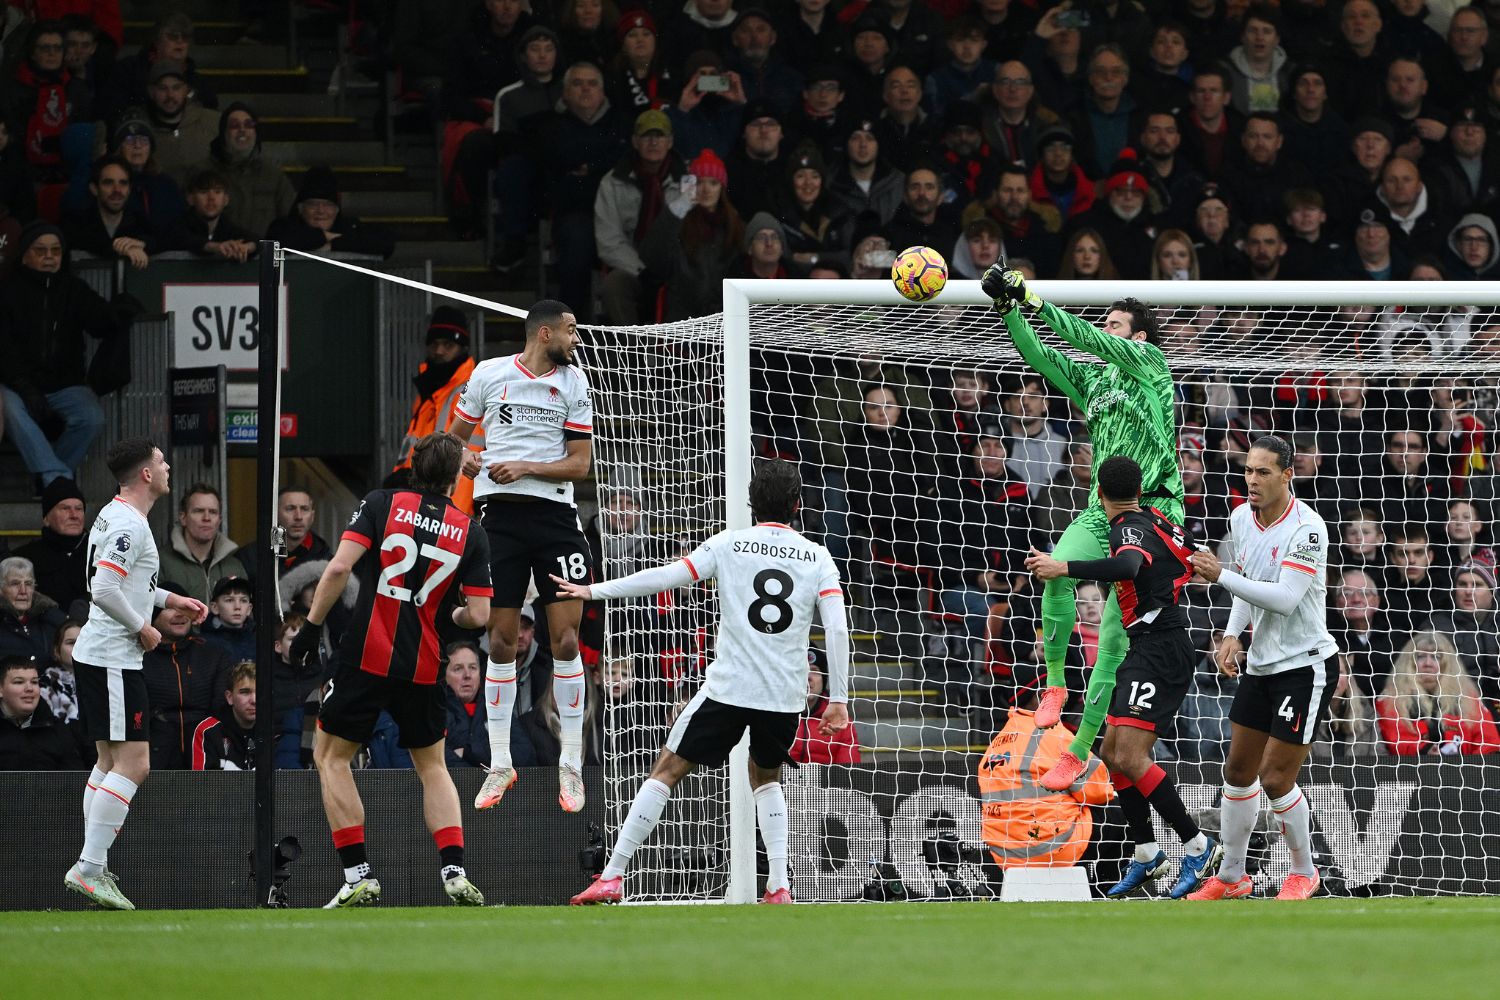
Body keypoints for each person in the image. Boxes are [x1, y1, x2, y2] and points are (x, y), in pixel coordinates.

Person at [564, 459, 850, 905]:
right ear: (798, 506)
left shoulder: (730, 543)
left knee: (667, 769)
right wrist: (839, 698)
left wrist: (594, 590)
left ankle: (613, 875)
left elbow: (665, 576)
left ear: (752, 502)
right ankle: (778, 885)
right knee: (766, 776)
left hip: (729, 688)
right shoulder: (817, 556)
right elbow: (836, 628)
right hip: (783, 694)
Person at [981, 264, 1184, 791]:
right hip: (1103, 508)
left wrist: (1036, 300)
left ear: (1137, 336)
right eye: (1107, 323)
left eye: (1115, 325)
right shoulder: (1094, 378)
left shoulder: (1151, 363)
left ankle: (1078, 748)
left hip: (1154, 512)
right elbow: (1040, 356)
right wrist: (1009, 308)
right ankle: (1055, 686)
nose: (1106, 330)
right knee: (1053, 571)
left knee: (1116, 632)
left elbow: (1086, 337)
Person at [287, 432, 492, 908]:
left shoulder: (381, 502)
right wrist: (448, 614)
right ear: (456, 475)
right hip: (423, 663)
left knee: (330, 757)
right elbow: (477, 617)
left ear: (414, 466)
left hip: (366, 655)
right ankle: (455, 871)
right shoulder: (470, 531)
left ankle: (358, 874)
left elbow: (337, 569)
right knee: (433, 766)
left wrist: (311, 628)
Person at [1025, 455, 1223, 898]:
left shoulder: (1125, 529)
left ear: (1099, 493)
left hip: (1161, 648)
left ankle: (1198, 844)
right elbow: (1191, 556)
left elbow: (1130, 565)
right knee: (1112, 752)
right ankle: (1147, 853)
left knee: (1132, 757)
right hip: (1147, 644)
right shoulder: (1155, 517)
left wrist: (1064, 567)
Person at [448, 300, 596, 814]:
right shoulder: (489, 374)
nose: (577, 339)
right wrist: (466, 460)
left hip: (555, 520)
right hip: (500, 522)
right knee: (501, 641)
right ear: (545, 332)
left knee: (567, 639)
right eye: (572, 330)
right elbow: (452, 441)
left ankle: (571, 763)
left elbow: (580, 466)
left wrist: (526, 467)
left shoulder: (575, 385)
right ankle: (501, 762)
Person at [1187, 435, 1342, 901]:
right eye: (1248, 471)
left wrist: (1221, 575)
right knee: (1237, 772)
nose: (1252, 480)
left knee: (1276, 778)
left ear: (1287, 475)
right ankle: (1232, 878)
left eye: (1263, 472)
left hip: (1306, 666)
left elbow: (1285, 597)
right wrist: (1233, 633)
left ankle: (1303, 871)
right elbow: (1247, 589)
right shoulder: (1240, 518)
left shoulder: (1307, 529)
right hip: (1261, 665)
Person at [65, 439, 208, 910]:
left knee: (109, 763)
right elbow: (104, 588)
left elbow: (128, 581)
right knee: (135, 764)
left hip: (100, 654)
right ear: (146, 474)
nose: (168, 466)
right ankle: (89, 868)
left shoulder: (116, 514)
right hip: (112, 656)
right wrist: (144, 627)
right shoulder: (129, 523)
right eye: (162, 461)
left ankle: (94, 864)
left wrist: (170, 600)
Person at [0, 221, 116, 488]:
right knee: (10, 410)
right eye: (40, 250)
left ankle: (50, 477)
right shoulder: (8, 291)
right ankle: (59, 479)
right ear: (25, 255)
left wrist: (120, 309)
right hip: (18, 386)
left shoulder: (73, 288)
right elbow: (4, 350)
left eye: (55, 250)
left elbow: (100, 322)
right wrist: (25, 387)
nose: (49, 256)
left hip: (65, 385)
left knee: (92, 417)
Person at [977, 691, 1113, 874]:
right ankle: (1106, 890)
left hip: (1006, 856)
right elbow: (1099, 792)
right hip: (1054, 848)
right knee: (1124, 809)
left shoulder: (996, 743)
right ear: (1041, 698)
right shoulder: (1053, 733)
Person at [388, 307, 484, 515]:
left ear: (462, 347)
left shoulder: (471, 389)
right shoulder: (430, 389)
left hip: (452, 506)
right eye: (434, 344)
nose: (439, 351)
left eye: (448, 345)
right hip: (425, 500)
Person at [142, 580, 234, 770]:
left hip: (206, 755)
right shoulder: (139, 657)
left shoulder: (213, 655)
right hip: (153, 759)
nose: (180, 614)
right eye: (169, 608)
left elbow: (221, 708)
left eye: (184, 608)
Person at [1375, 630, 1500, 755]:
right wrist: (1425, 751)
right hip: (1412, 770)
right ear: (1409, 663)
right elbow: (1396, 740)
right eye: (1420, 657)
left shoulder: (1468, 698)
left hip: (1466, 771)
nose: (1428, 663)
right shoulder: (1391, 699)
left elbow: (1489, 743)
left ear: (1448, 664)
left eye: (1436, 657)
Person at [205, 102, 296, 238]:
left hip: (262, 255)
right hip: (216, 256)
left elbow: (290, 221)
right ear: (223, 133)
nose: (242, 130)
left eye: (248, 125)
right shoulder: (203, 172)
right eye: (235, 125)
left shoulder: (274, 176)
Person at [265, 166, 396, 258]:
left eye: (328, 205)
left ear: (337, 210)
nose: (321, 211)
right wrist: (325, 237)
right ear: (300, 208)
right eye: (313, 204)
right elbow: (277, 242)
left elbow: (386, 243)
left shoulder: (349, 226)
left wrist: (332, 245)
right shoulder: (283, 227)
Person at [158, 483, 247, 606]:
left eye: (213, 512)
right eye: (199, 511)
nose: (206, 518)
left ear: (219, 520)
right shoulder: (161, 562)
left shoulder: (234, 566)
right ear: (183, 518)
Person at [14, 477, 89, 613]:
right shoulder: (24, 559)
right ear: (46, 518)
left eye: (79, 509)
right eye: (65, 508)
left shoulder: (102, 554)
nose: (74, 515)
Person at [0, 656, 87, 770]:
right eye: (19, 682)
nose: (29, 688)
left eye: (35, 682)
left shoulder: (58, 731)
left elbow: (73, 781)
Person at [159, 169, 257, 261]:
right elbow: (183, 239)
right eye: (204, 192)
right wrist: (215, 247)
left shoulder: (227, 226)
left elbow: (257, 240)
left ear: (226, 200)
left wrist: (247, 247)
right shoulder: (177, 225)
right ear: (190, 199)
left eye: (217, 192)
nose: (211, 198)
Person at [190, 660, 258, 770]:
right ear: (229, 697)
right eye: (245, 692)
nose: (254, 700)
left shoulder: (273, 733)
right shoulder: (207, 731)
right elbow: (200, 784)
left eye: (259, 692)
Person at [0, 556, 66, 667]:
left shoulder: (53, 620)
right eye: (15, 584)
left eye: (28, 584)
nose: (23, 591)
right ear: (1, 589)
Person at [200, 576, 255, 663]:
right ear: (215, 607)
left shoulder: (259, 642)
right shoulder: (203, 644)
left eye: (243, 600)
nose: (237, 607)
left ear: (249, 609)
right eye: (229, 600)